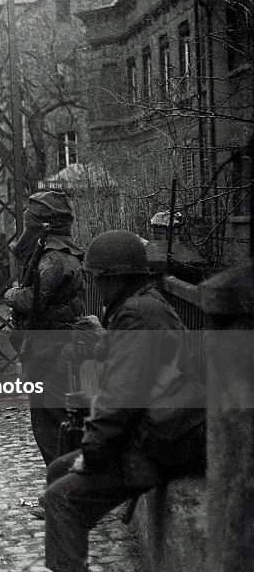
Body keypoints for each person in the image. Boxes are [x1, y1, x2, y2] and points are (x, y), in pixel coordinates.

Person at [43, 230, 205, 572]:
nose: (96, 288)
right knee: (58, 471)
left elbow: (122, 398)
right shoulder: (144, 305)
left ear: (117, 279)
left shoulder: (137, 315)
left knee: (61, 499)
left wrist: (92, 453)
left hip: (163, 441)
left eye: (100, 280)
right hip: (165, 431)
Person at [3, 191, 86, 467]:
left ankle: (61, 494)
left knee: (51, 425)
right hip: (55, 347)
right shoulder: (61, 252)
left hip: (52, 351)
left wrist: (12, 295)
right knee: (56, 423)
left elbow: (35, 301)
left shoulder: (53, 258)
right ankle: (62, 490)